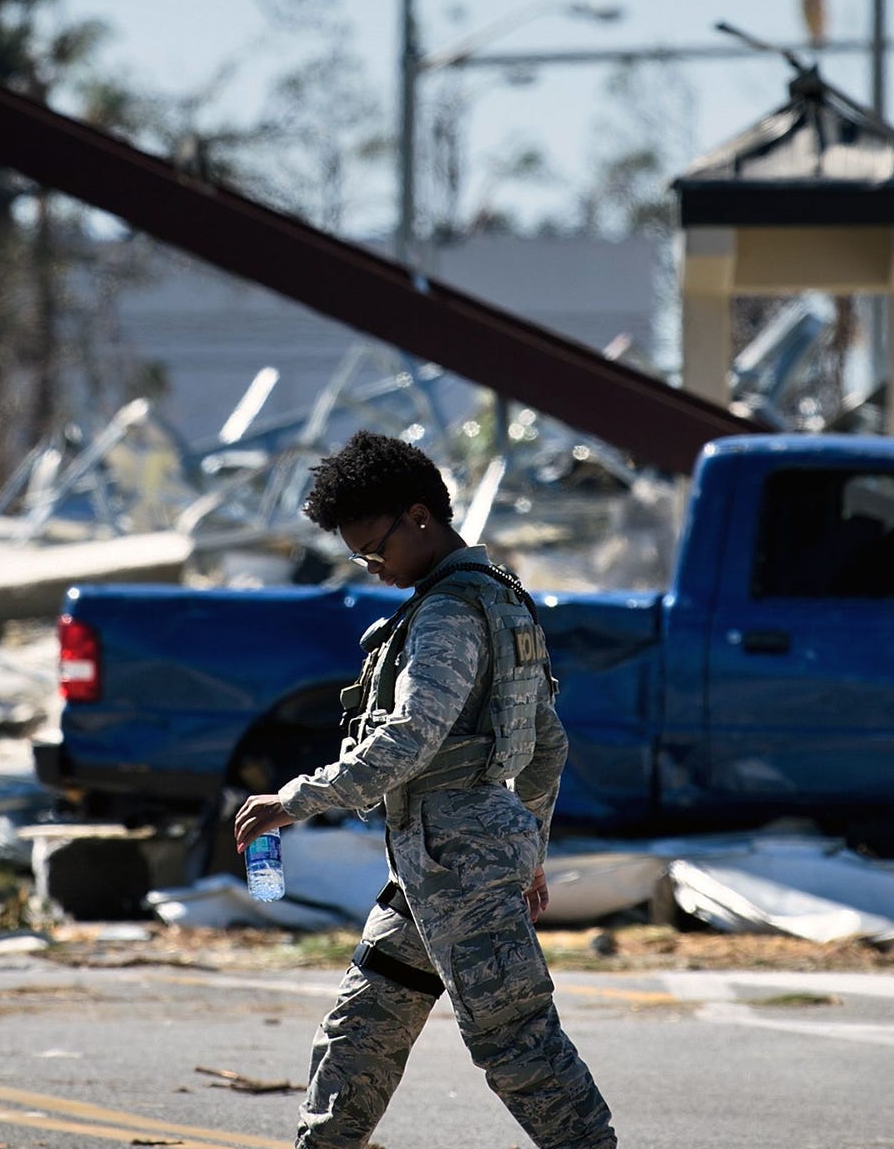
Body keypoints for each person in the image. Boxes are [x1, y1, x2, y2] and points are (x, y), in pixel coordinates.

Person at [231, 431, 617, 1149]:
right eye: (359, 557)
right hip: (438, 863)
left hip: (458, 862)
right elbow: (548, 745)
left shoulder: (446, 614)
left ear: (419, 517)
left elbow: (411, 738)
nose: (372, 568)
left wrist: (297, 799)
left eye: (374, 550)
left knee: (516, 1042)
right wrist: (529, 851)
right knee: (363, 1027)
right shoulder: (502, 600)